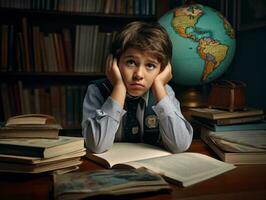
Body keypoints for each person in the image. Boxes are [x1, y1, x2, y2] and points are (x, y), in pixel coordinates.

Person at [82, 21, 193, 154]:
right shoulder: (97, 90)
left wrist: (158, 87)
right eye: (131, 62)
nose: (139, 75)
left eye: (150, 65)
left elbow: (179, 145)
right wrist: (119, 88)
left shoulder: (164, 92)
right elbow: (97, 145)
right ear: (115, 63)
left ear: (162, 70)